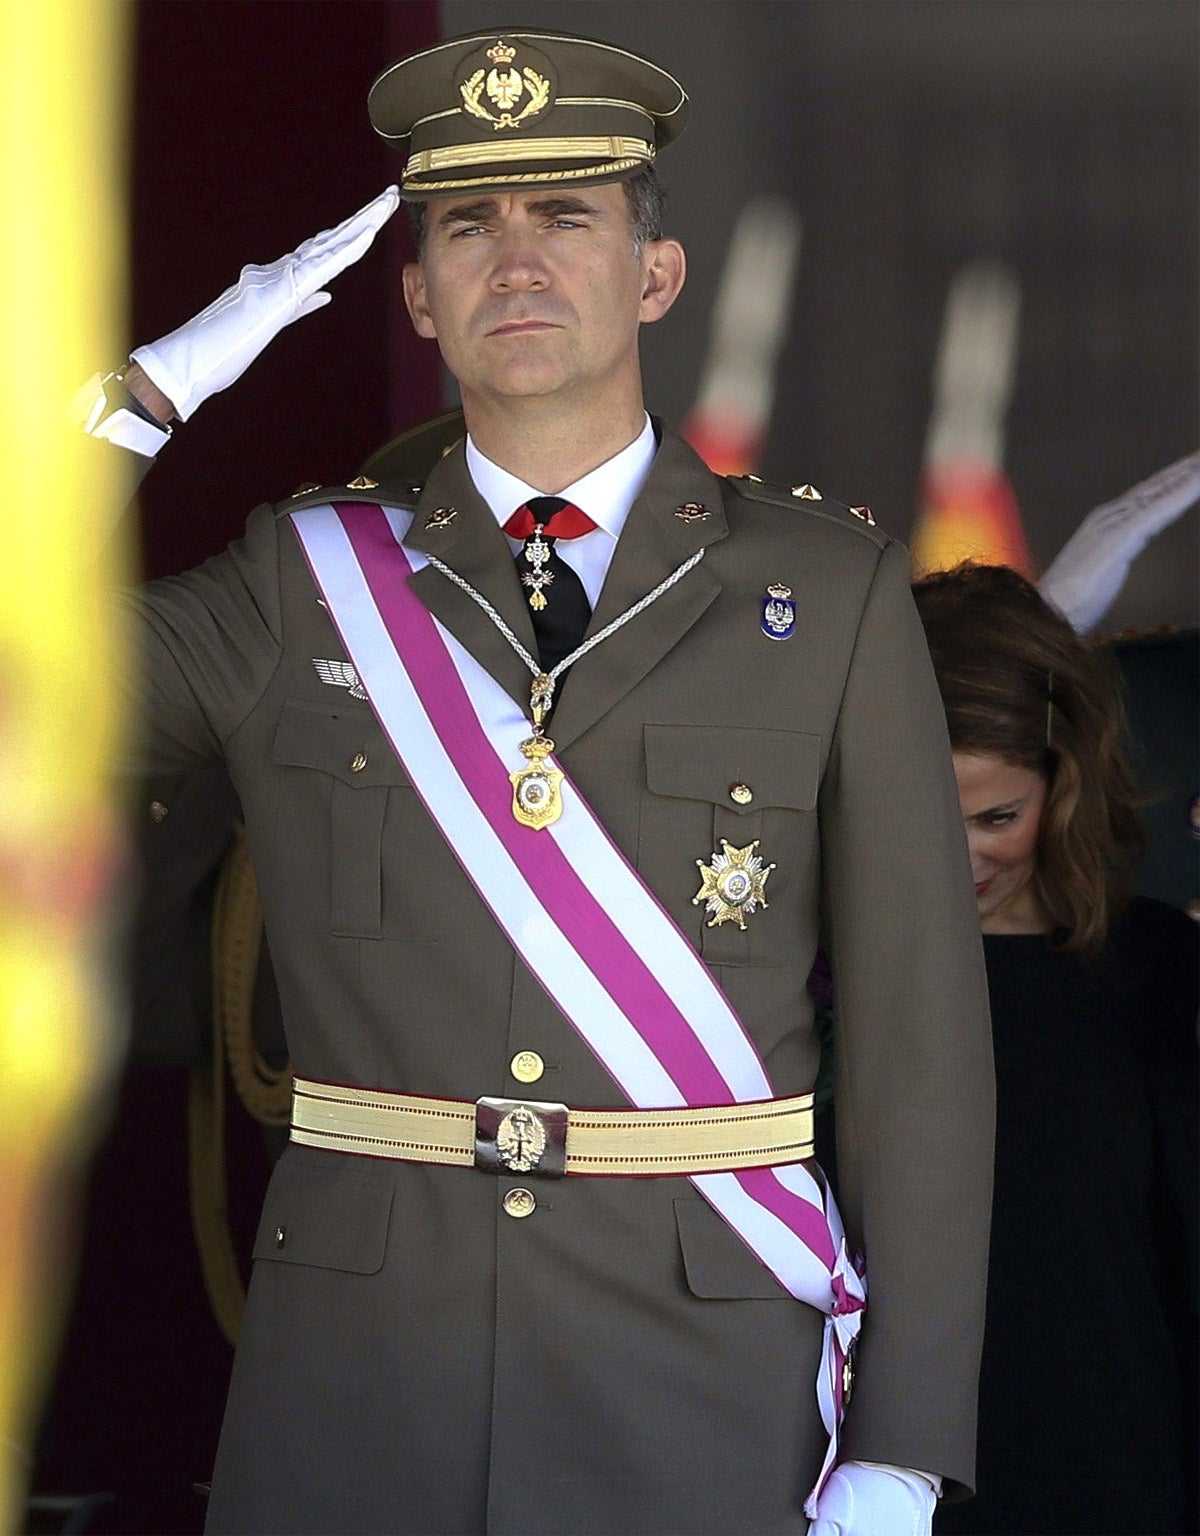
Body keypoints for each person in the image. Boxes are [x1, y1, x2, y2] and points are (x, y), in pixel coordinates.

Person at [82, 29, 994, 1534]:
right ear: (415, 295)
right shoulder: (298, 584)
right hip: (366, 1379)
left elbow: (922, 1051)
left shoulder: (826, 590)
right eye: (467, 226)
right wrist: (138, 404)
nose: (516, 260)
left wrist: (903, 1440)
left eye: (566, 213)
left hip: (700, 1370)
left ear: (656, 274)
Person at [914, 563, 1199, 1536]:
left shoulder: (1158, 975)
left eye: (997, 818)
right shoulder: (807, 988)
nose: (957, 861)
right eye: (922, 815)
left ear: (1064, 786)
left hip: (1116, 1494)